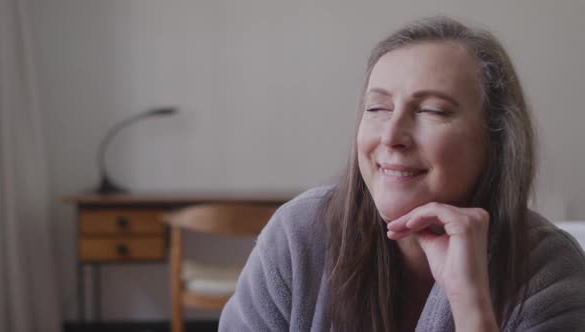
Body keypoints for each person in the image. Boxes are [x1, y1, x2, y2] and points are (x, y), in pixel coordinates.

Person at [218, 16, 585, 331]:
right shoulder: (299, 236)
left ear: (496, 139)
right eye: (377, 107)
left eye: (432, 111)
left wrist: (471, 305)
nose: (391, 136)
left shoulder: (547, 269)